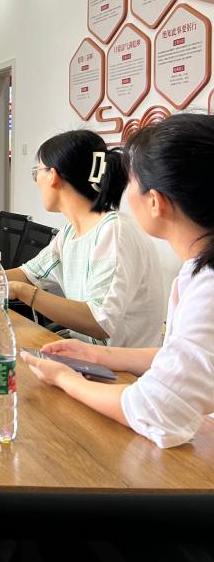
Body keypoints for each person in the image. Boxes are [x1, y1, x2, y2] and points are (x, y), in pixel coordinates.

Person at [21, 114, 214, 448]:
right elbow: (180, 357)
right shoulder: (196, 272)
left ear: (156, 202)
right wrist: (97, 356)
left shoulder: (207, 287)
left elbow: (154, 410)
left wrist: (66, 379)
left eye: (133, 182)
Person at [0, 130, 165, 347]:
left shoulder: (113, 232)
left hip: (119, 369)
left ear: (53, 175)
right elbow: (30, 273)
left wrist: (20, 291)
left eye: (37, 172)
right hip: (84, 354)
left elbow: (99, 322)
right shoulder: (71, 231)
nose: (36, 181)